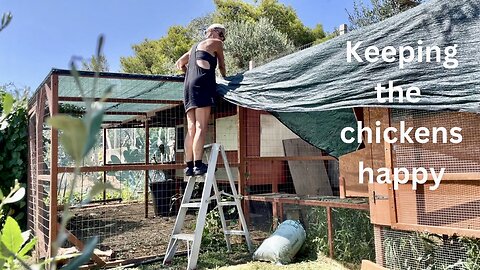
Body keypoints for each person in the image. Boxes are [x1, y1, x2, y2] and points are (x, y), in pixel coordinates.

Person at [175, 24, 226, 176]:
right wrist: (226, 79)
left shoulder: (193, 47)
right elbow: (222, 66)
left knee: (191, 129)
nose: (222, 38)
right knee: (201, 126)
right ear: (214, 32)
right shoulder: (216, 43)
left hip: (188, 86)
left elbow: (179, 64)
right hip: (203, 84)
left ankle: (189, 166)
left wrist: (191, 73)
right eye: (222, 34)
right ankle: (198, 164)